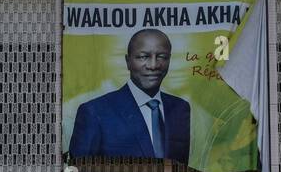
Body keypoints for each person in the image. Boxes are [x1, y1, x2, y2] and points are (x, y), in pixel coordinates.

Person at [69, 28, 191, 163]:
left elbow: (181, 171)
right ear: (128, 61)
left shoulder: (181, 108)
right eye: (143, 57)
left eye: (161, 57)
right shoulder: (94, 112)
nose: (153, 65)